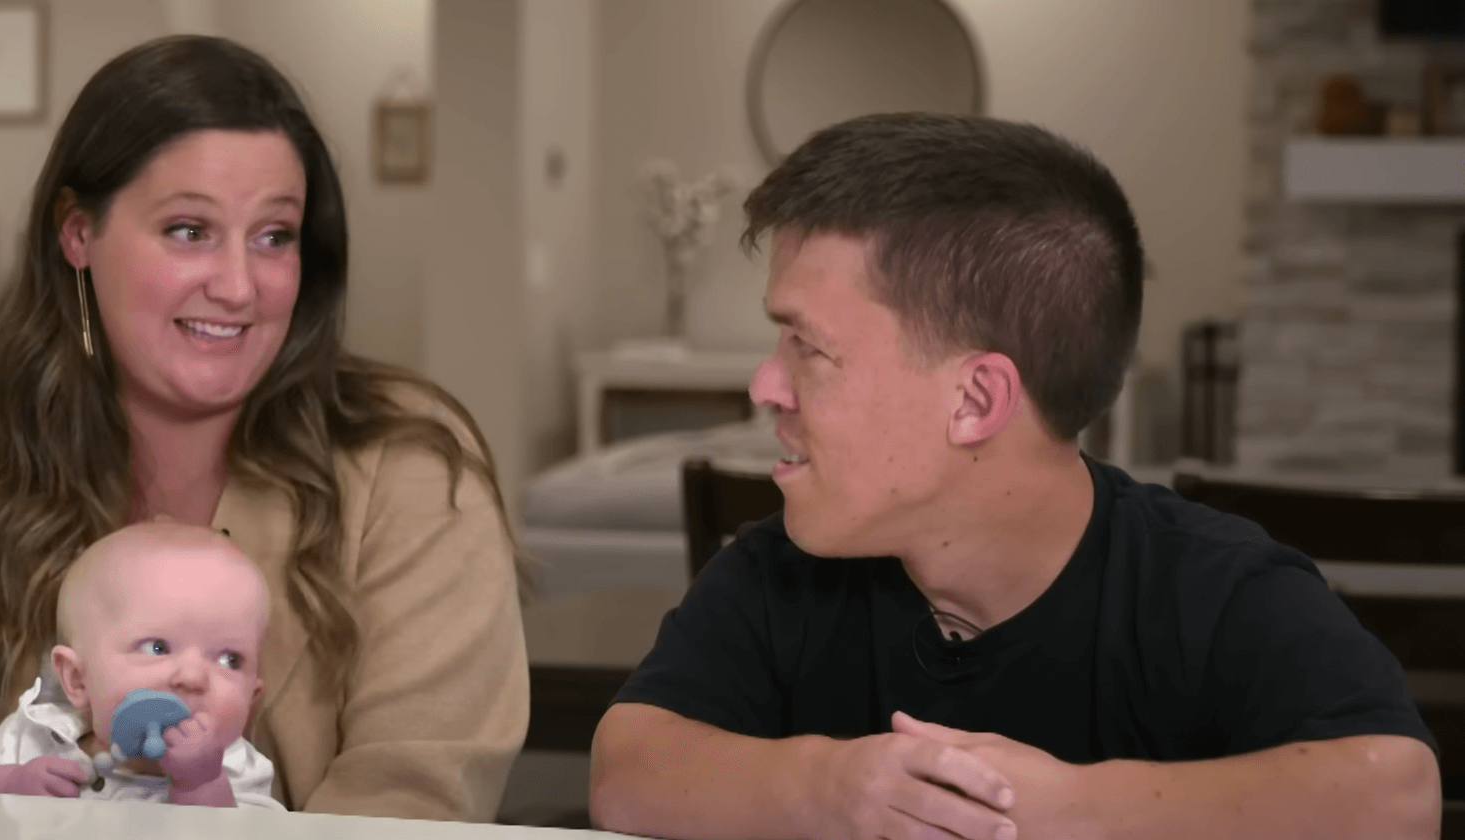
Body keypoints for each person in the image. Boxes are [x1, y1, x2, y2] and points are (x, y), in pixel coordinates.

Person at [589, 113, 1440, 840]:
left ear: (976, 399)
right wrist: (830, 788)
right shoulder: (784, 573)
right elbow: (627, 767)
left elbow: (1395, 794)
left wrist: (1071, 807)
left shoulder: (1208, 587)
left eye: (808, 346)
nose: (764, 385)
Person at [0, 35, 529, 822]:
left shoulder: (409, 475)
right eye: (189, 230)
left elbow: (408, 806)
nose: (240, 286)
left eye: (274, 236)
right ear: (77, 233)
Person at [0, 521, 280, 809]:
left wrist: (199, 786)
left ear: (252, 699)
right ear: (77, 679)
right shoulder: (38, 737)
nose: (192, 677)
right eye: (156, 647)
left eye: (229, 660)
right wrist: (10, 783)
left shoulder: (236, 772)